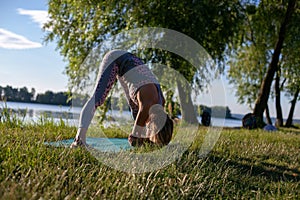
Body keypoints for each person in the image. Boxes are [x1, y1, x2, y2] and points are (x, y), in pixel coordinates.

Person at [70, 50, 173, 148]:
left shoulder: (160, 105)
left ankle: (147, 139)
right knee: (98, 98)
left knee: (137, 113)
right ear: (153, 125)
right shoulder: (147, 103)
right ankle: (79, 140)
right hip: (116, 59)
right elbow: (134, 138)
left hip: (131, 68)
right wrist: (136, 137)